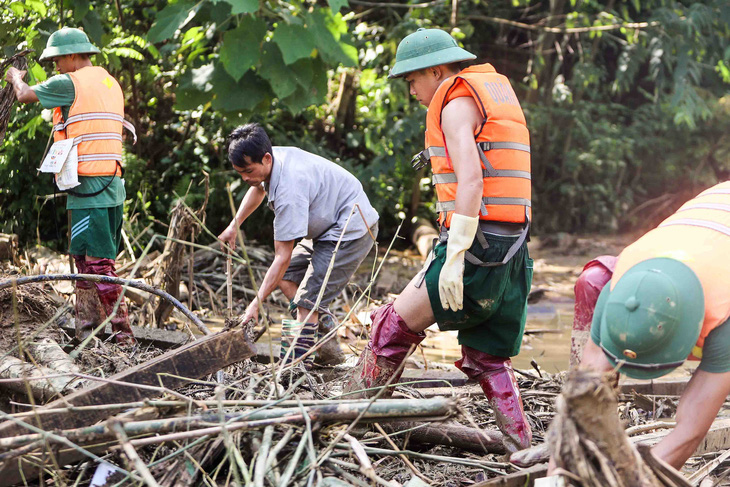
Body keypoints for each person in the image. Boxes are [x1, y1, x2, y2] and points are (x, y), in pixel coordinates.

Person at [344, 28, 534, 453]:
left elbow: (471, 182)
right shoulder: (492, 94)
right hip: (514, 245)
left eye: (412, 80)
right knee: (487, 357)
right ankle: (523, 450)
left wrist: (455, 256)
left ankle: (348, 421)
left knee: (388, 328)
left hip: (477, 244)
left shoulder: (453, 104)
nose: (411, 90)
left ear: (435, 70)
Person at [567, 181, 730, 470]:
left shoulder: (724, 311)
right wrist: (561, 467)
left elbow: (690, 430)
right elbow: (582, 394)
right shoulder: (620, 289)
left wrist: (629, 479)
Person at [4, 27, 137, 345]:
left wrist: (14, 76)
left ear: (74, 55)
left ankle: (124, 336)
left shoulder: (70, 82)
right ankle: (86, 328)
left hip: (90, 188)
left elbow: (24, 95)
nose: (55, 66)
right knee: (83, 257)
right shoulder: (109, 81)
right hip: (110, 183)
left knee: (98, 263)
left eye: (58, 60)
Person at [218, 123, 379, 366]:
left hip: (351, 229)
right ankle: (324, 332)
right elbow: (258, 188)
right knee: (288, 278)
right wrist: (234, 225)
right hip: (326, 227)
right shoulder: (271, 161)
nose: (244, 178)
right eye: (240, 172)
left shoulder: (288, 192)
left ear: (266, 158)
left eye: (248, 171)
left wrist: (255, 304)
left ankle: (292, 368)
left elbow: (281, 257)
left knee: (305, 302)